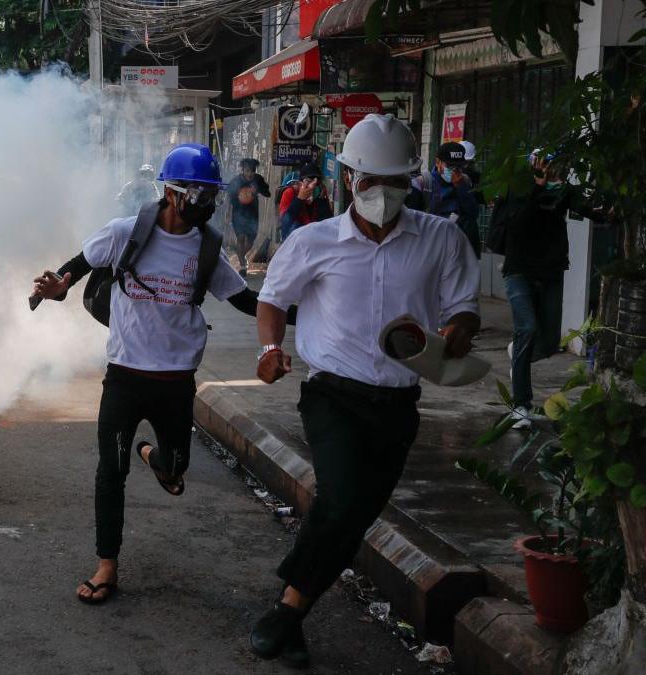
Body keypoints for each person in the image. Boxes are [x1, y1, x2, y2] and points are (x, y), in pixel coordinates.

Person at [249, 114, 480, 669]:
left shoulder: (441, 239)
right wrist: (268, 350)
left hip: (399, 405)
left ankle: (292, 614)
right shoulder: (313, 241)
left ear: (411, 182)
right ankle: (283, 611)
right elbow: (273, 300)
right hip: (332, 396)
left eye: (395, 181)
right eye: (372, 180)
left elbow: (464, 310)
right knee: (340, 499)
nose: (383, 193)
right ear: (350, 177)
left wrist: (455, 333)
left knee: (352, 516)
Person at [30, 143, 297, 607]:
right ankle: (107, 565)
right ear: (173, 193)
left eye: (212, 195)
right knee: (110, 473)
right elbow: (81, 262)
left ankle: (153, 454)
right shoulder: (127, 232)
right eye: (200, 194)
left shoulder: (208, 248)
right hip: (125, 379)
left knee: (175, 474)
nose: (208, 204)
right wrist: (60, 286)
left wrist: (306, 316)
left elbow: (245, 301)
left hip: (176, 383)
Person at [491, 152, 608, 429]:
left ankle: (518, 355)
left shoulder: (564, 192)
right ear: (535, 166)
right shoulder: (518, 190)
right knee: (527, 329)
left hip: (551, 272)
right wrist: (537, 188)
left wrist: (610, 212)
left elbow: (586, 208)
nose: (555, 171)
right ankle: (521, 405)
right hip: (519, 271)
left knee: (548, 342)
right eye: (548, 165)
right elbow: (517, 222)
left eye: (559, 166)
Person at [407, 142, 481, 257]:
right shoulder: (422, 184)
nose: (455, 172)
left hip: (456, 249)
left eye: (459, 167)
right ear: (438, 163)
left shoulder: (464, 182)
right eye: (450, 167)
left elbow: (473, 214)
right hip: (430, 251)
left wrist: (461, 188)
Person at [225, 157, 271, 270]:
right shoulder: (236, 181)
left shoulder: (258, 180)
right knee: (240, 238)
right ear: (243, 170)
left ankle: (241, 255)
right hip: (238, 213)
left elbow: (268, 194)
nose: (250, 174)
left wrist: (258, 190)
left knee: (250, 241)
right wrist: (227, 212)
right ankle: (242, 267)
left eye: (252, 171)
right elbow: (229, 197)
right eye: (247, 171)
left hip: (253, 214)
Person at [277, 162, 331, 241]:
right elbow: (285, 225)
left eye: (316, 184)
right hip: (295, 241)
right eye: (309, 181)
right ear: (300, 183)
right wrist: (299, 199)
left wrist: (322, 201)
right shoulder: (290, 193)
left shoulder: (319, 197)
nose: (312, 187)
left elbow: (327, 226)